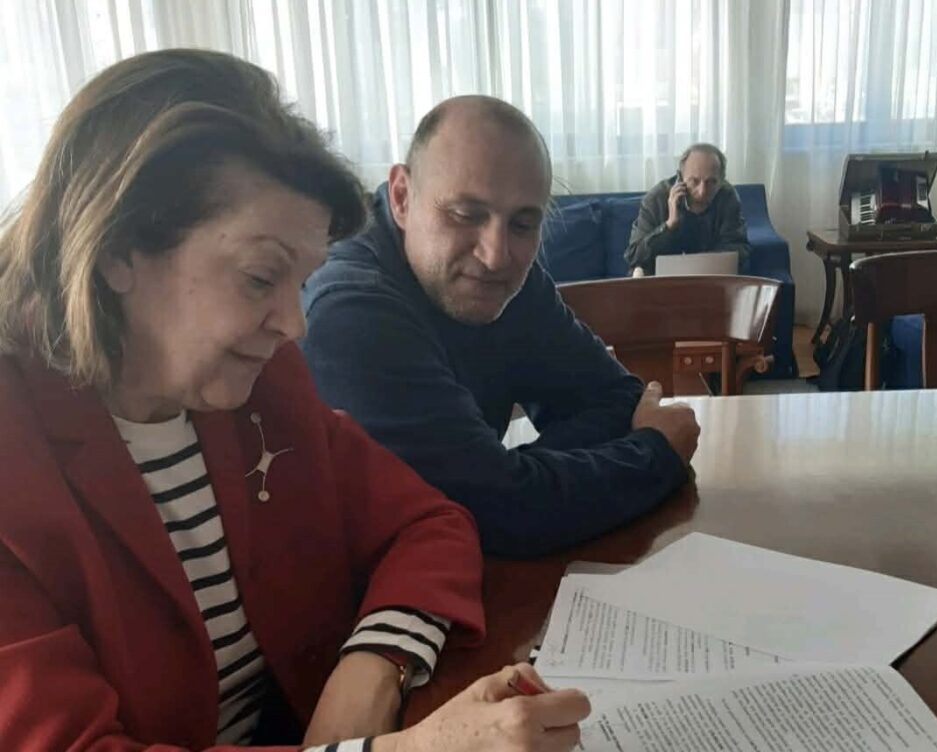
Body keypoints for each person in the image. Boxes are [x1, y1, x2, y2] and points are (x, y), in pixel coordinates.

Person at [0, 50, 589, 752]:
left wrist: (375, 664)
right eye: (260, 277)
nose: (295, 325)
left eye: (300, 280)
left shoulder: (259, 384)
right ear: (117, 249)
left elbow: (431, 522)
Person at [301, 96, 700, 560]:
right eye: (465, 215)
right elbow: (494, 514)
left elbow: (616, 397)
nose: (495, 256)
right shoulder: (352, 311)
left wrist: (515, 478)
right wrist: (653, 453)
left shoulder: (509, 280)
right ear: (402, 198)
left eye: (523, 224)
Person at [624, 143, 752, 277]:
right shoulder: (656, 198)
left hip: (710, 278)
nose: (702, 192)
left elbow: (739, 247)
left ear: (721, 180)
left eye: (711, 182)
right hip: (662, 280)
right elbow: (633, 255)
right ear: (680, 177)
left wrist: (701, 264)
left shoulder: (727, 197)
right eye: (694, 181)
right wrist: (669, 226)